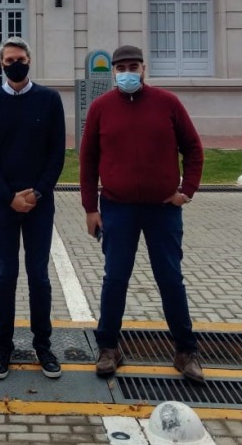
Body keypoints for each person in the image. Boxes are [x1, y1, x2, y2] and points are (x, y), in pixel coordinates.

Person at [79, 44, 206, 383]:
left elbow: (193, 148)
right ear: (114, 73)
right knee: (115, 279)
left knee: (170, 280)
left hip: (163, 209)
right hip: (117, 209)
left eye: (133, 67)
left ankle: (186, 350)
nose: (127, 73)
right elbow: (88, 160)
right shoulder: (100, 108)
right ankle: (108, 347)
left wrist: (187, 191)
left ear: (144, 70)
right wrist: (90, 208)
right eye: (121, 69)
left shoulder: (168, 104)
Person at [0, 37, 66, 380]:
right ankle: (3, 346)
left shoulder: (49, 99)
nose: (16, 64)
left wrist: (38, 194)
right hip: (3, 204)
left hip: (40, 204)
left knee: (39, 276)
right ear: (1, 64)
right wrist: (9, 196)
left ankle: (43, 345)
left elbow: (57, 153)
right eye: (9, 60)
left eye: (21, 58)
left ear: (30, 60)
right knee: (5, 274)